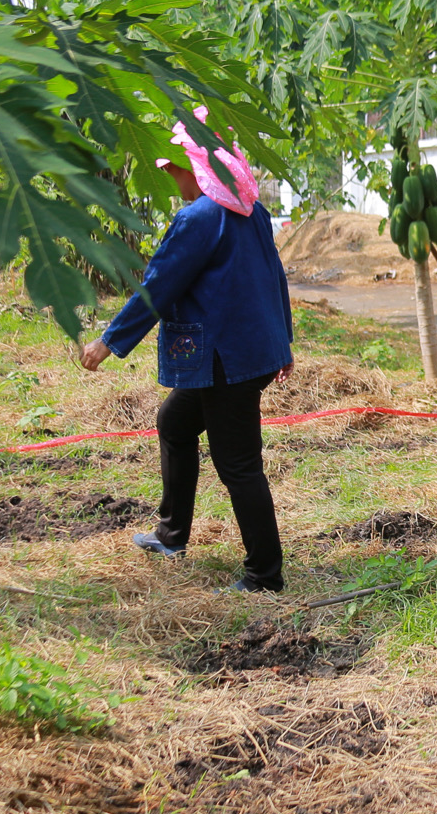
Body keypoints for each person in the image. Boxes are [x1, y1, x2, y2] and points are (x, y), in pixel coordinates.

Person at [79, 113, 294, 592]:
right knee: (174, 423)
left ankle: (265, 574)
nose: (170, 178)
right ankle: (171, 534)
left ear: (195, 166)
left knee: (238, 465)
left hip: (226, 359)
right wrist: (285, 343)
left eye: (173, 169)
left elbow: (158, 285)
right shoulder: (250, 210)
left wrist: (110, 341)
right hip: (247, 352)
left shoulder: (201, 218)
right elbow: (275, 277)